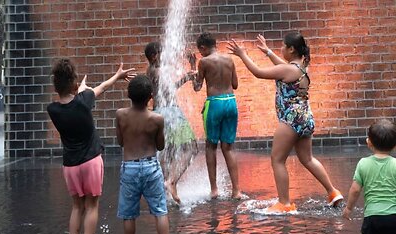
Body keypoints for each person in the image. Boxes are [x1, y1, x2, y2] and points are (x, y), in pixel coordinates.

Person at [227, 32, 343, 213]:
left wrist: (243, 55)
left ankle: (284, 203)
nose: (280, 49)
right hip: (305, 117)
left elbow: (258, 72)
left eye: (283, 46)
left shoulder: (288, 69)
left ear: (291, 49)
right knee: (308, 159)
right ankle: (333, 192)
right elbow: (283, 68)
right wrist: (268, 52)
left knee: (277, 159)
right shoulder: (302, 66)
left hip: (291, 118)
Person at [47, 59, 135, 234]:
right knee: (92, 205)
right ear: (75, 85)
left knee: (77, 207)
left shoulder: (53, 109)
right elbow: (103, 87)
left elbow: (72, 100)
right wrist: (118, 75)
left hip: (70, 165)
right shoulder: (84, 99)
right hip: (91, 162)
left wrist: (80, 89)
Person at [115, 74, 182, 234]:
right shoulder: (156, 118)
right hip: (151, 166)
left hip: (129, 166)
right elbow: (160, 146)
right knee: (160, 211)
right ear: (151, 96)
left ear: (129, 95)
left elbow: (120, 141)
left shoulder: (120, 114)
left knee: (128, 214)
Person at [144, 41, 198, 204]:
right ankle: (172, 181)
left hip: (160, 112)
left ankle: (166, 188)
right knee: (192, 148)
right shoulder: (158, 71)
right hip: (170, 113)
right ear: (154, 56)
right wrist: (187, 77)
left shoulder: (151, 70)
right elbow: (170, 89)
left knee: (168, 152)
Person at [192, 32, 242, 200]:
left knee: (210, 146)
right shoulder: (229, 59)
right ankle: (237, 191)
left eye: (200, 51)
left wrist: (193, 68)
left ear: (203, 48)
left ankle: (214, 190)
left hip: (214, 103)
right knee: (228, 147)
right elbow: (235, 84)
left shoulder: (204, 62)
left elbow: (197, 87)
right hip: (231, 102)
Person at [342, 119, 396, 234]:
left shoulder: (363, 164)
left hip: (373, 218)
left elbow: (355, 189)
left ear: (369, 143)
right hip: (395, 215)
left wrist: (348, 208)